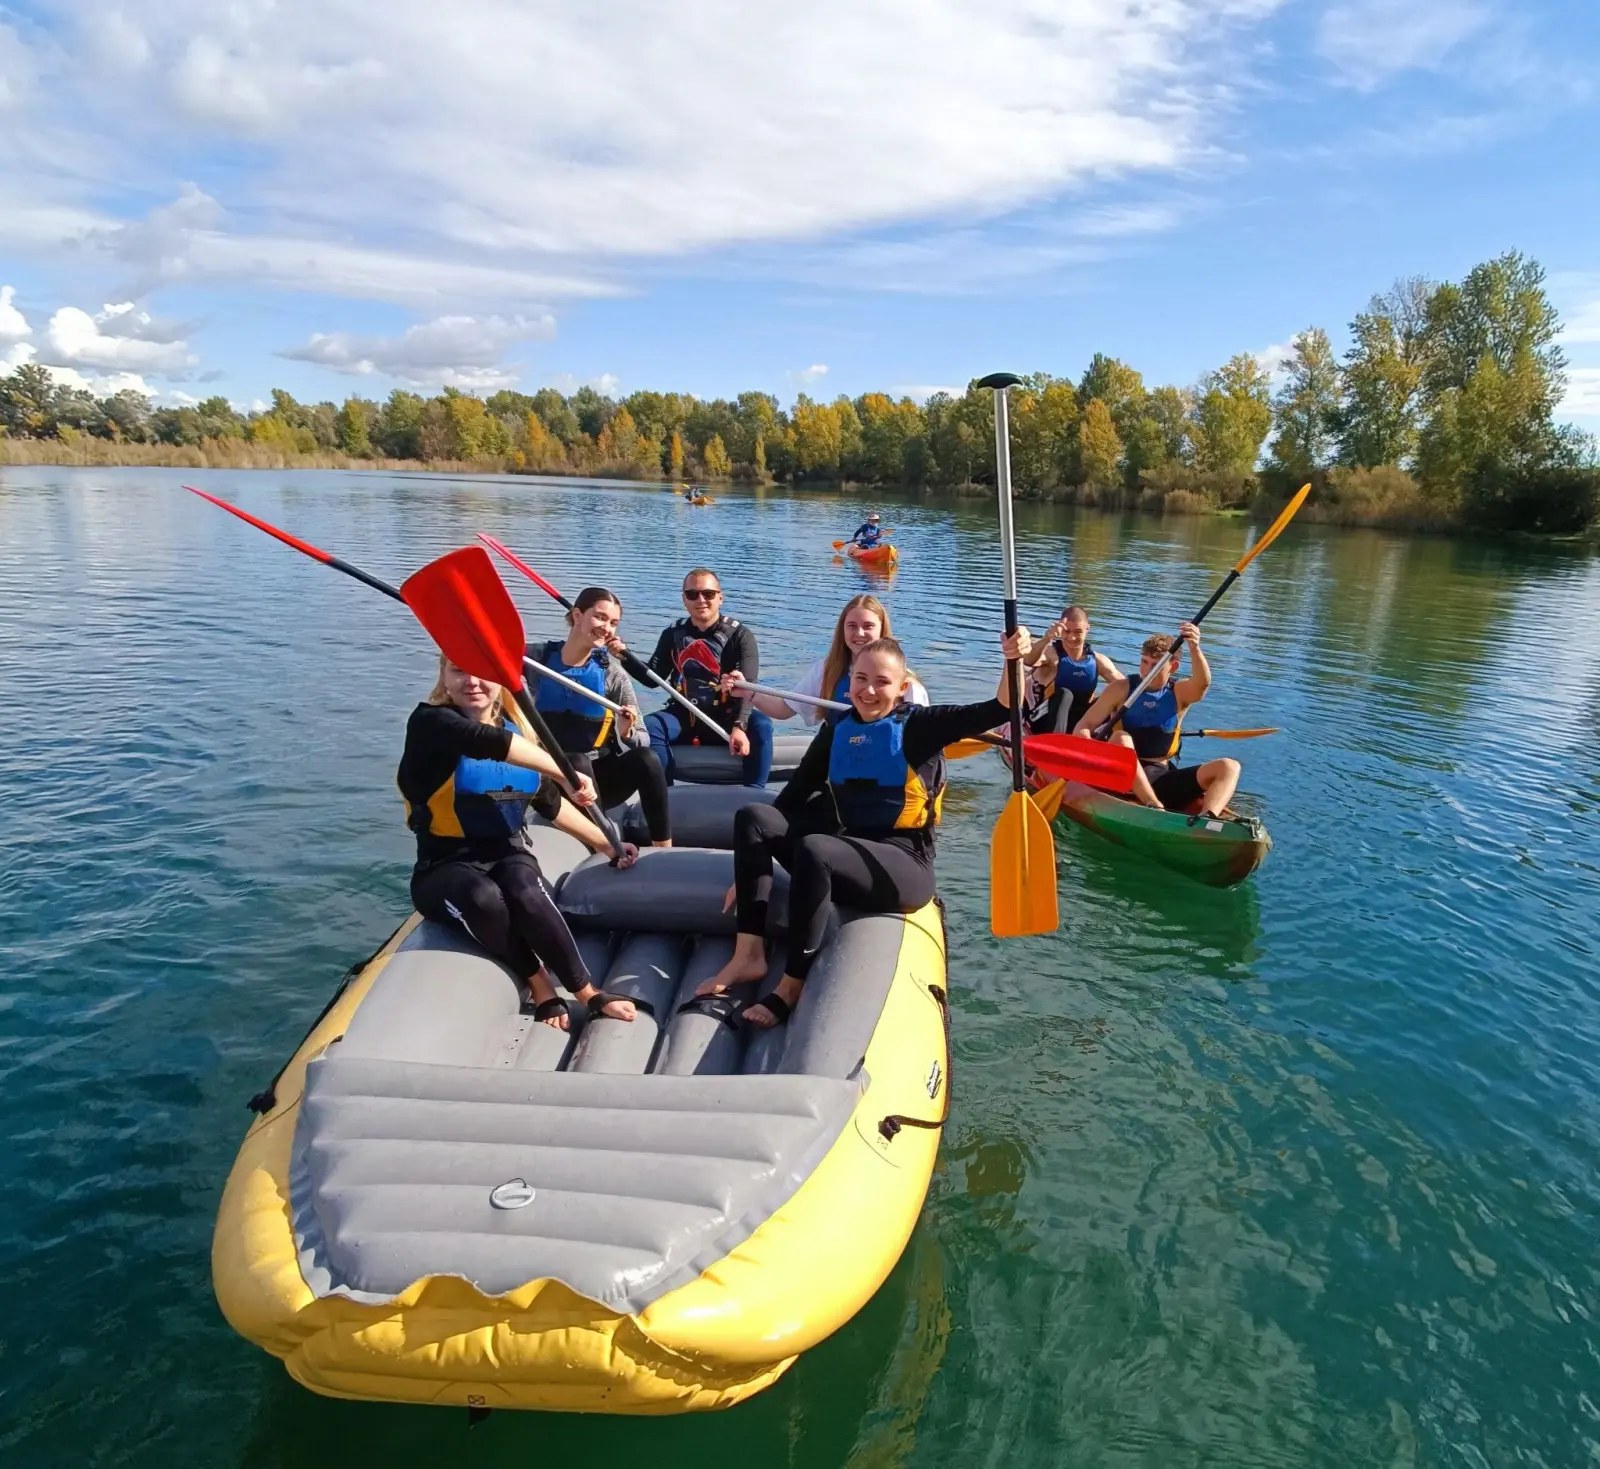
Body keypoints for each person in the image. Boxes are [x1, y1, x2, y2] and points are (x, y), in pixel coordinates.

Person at [697, 627, 1032, 1029]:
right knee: (754, 816)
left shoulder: (922, 726)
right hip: (848, 851)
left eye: (882, 682)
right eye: (861, 679)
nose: (869, 691)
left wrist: (1013, 660)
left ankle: (790, 987)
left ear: (903, 687)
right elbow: (793, 797)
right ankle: (748, 955)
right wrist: (752, 867)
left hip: (905, 866)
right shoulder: (838, 728)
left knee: (816, 849)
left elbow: (998, 709)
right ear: (849, 677)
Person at [399, 655, 641, 1030]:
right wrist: (566, 772)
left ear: (498, 681)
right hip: (442, 866)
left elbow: (550, 804)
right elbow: (482, 741)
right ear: (444, 677)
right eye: (459, 669)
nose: (471, 681)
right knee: (482, 897)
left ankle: (589, 994)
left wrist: (608, 845)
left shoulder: (521, 736)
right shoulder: (430, 723)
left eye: (482, 672)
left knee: (525, 887)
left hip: (508, 852)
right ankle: (539, 982)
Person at [530, 585, 671, 847]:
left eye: (613, 622)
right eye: (600, 617)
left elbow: (642, 739)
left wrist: (627, 732)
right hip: (553, 776)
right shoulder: (534, 659)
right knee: (577, 762)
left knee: (647, 759)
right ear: (576, 616)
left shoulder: (612, 674)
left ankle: (664, 849)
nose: (607, 627)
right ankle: (602, 845)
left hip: (601, 779)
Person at [1072, 623, 1240, 816]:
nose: (1147, 670)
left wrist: (1194, 647)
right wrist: (1088, 747)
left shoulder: (1179, 693)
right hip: (1120, 776)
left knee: (1229, 766)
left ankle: (1207, 821)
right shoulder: (1121, 688)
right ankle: (1153, 806)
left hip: (1161, 777)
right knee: (1121, 737)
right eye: (1144, 662)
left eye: (1155, 665)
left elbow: (1202, 683)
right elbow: (1084, 726)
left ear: (1173, 667)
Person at [644, 569, 773, 786]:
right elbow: (651, 678)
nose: (701, 600)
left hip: (727, 715)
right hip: (686, 714)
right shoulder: (673, 634)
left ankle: (755, 792)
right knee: (650, 726)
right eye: (692, 594)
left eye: (708, 594)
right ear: (684, 600)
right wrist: (622, 655)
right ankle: (665, 795)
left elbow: (749, 686)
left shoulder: (740, 636)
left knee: (762, 725)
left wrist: (740, 726)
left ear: (720, 598)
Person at [723, 593, 928, 728]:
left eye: (868, 626)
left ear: (882, 630)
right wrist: (749, 691)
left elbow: (922, 733)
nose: (859, 633)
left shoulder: (907, 685)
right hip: (839, 761)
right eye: (852, 626)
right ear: (842, 630)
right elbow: (784, 709)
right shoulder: (827, 670)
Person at [1021, 604, 1122, 735]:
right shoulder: (1051, 655)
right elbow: (1028, 660)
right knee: (1064, 694)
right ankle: (1055, 744)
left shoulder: (1099, 661)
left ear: (1087, 629)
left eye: (1078, 632)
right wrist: (1047, 638)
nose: (1072, 638)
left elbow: (1126, 688)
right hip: (1042, 722)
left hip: (1079, 725)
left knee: (1112, 699)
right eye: (1067, 631)